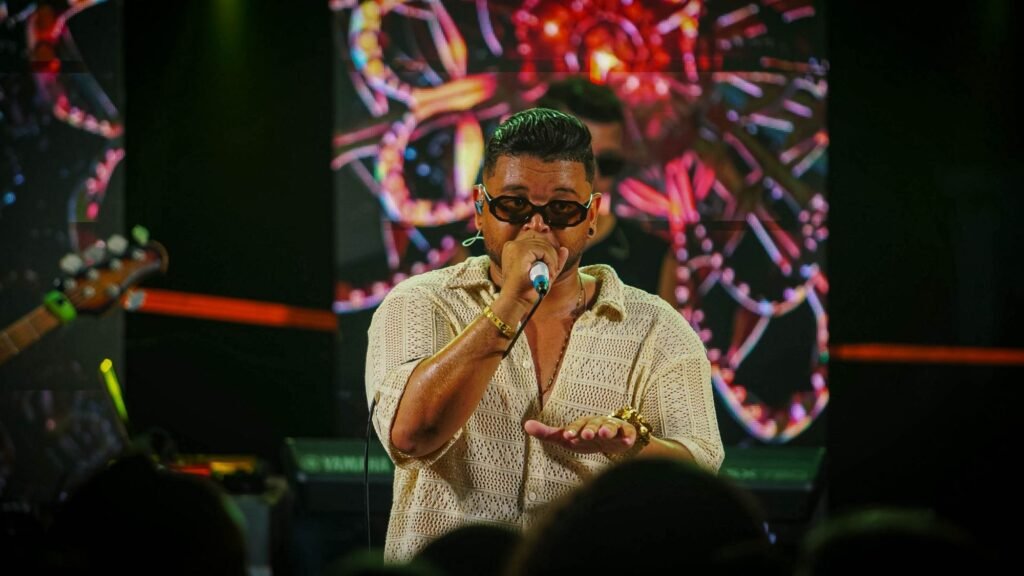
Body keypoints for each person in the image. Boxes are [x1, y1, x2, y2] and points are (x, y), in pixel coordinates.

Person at [366, 108, 723, 562]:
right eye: (513, 205)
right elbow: (411, 436)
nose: (537, 226)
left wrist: (635, 445)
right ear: (480, 208)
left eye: (561, 209)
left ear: (591, 215)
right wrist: (511, 303)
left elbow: (701, 477)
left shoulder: (658, 329)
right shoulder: (419, 303)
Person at [537, 77, 678, 304]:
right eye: (577, 159)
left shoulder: (651, 258)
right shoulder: (489, 251)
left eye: (608, 163)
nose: (590, 178)